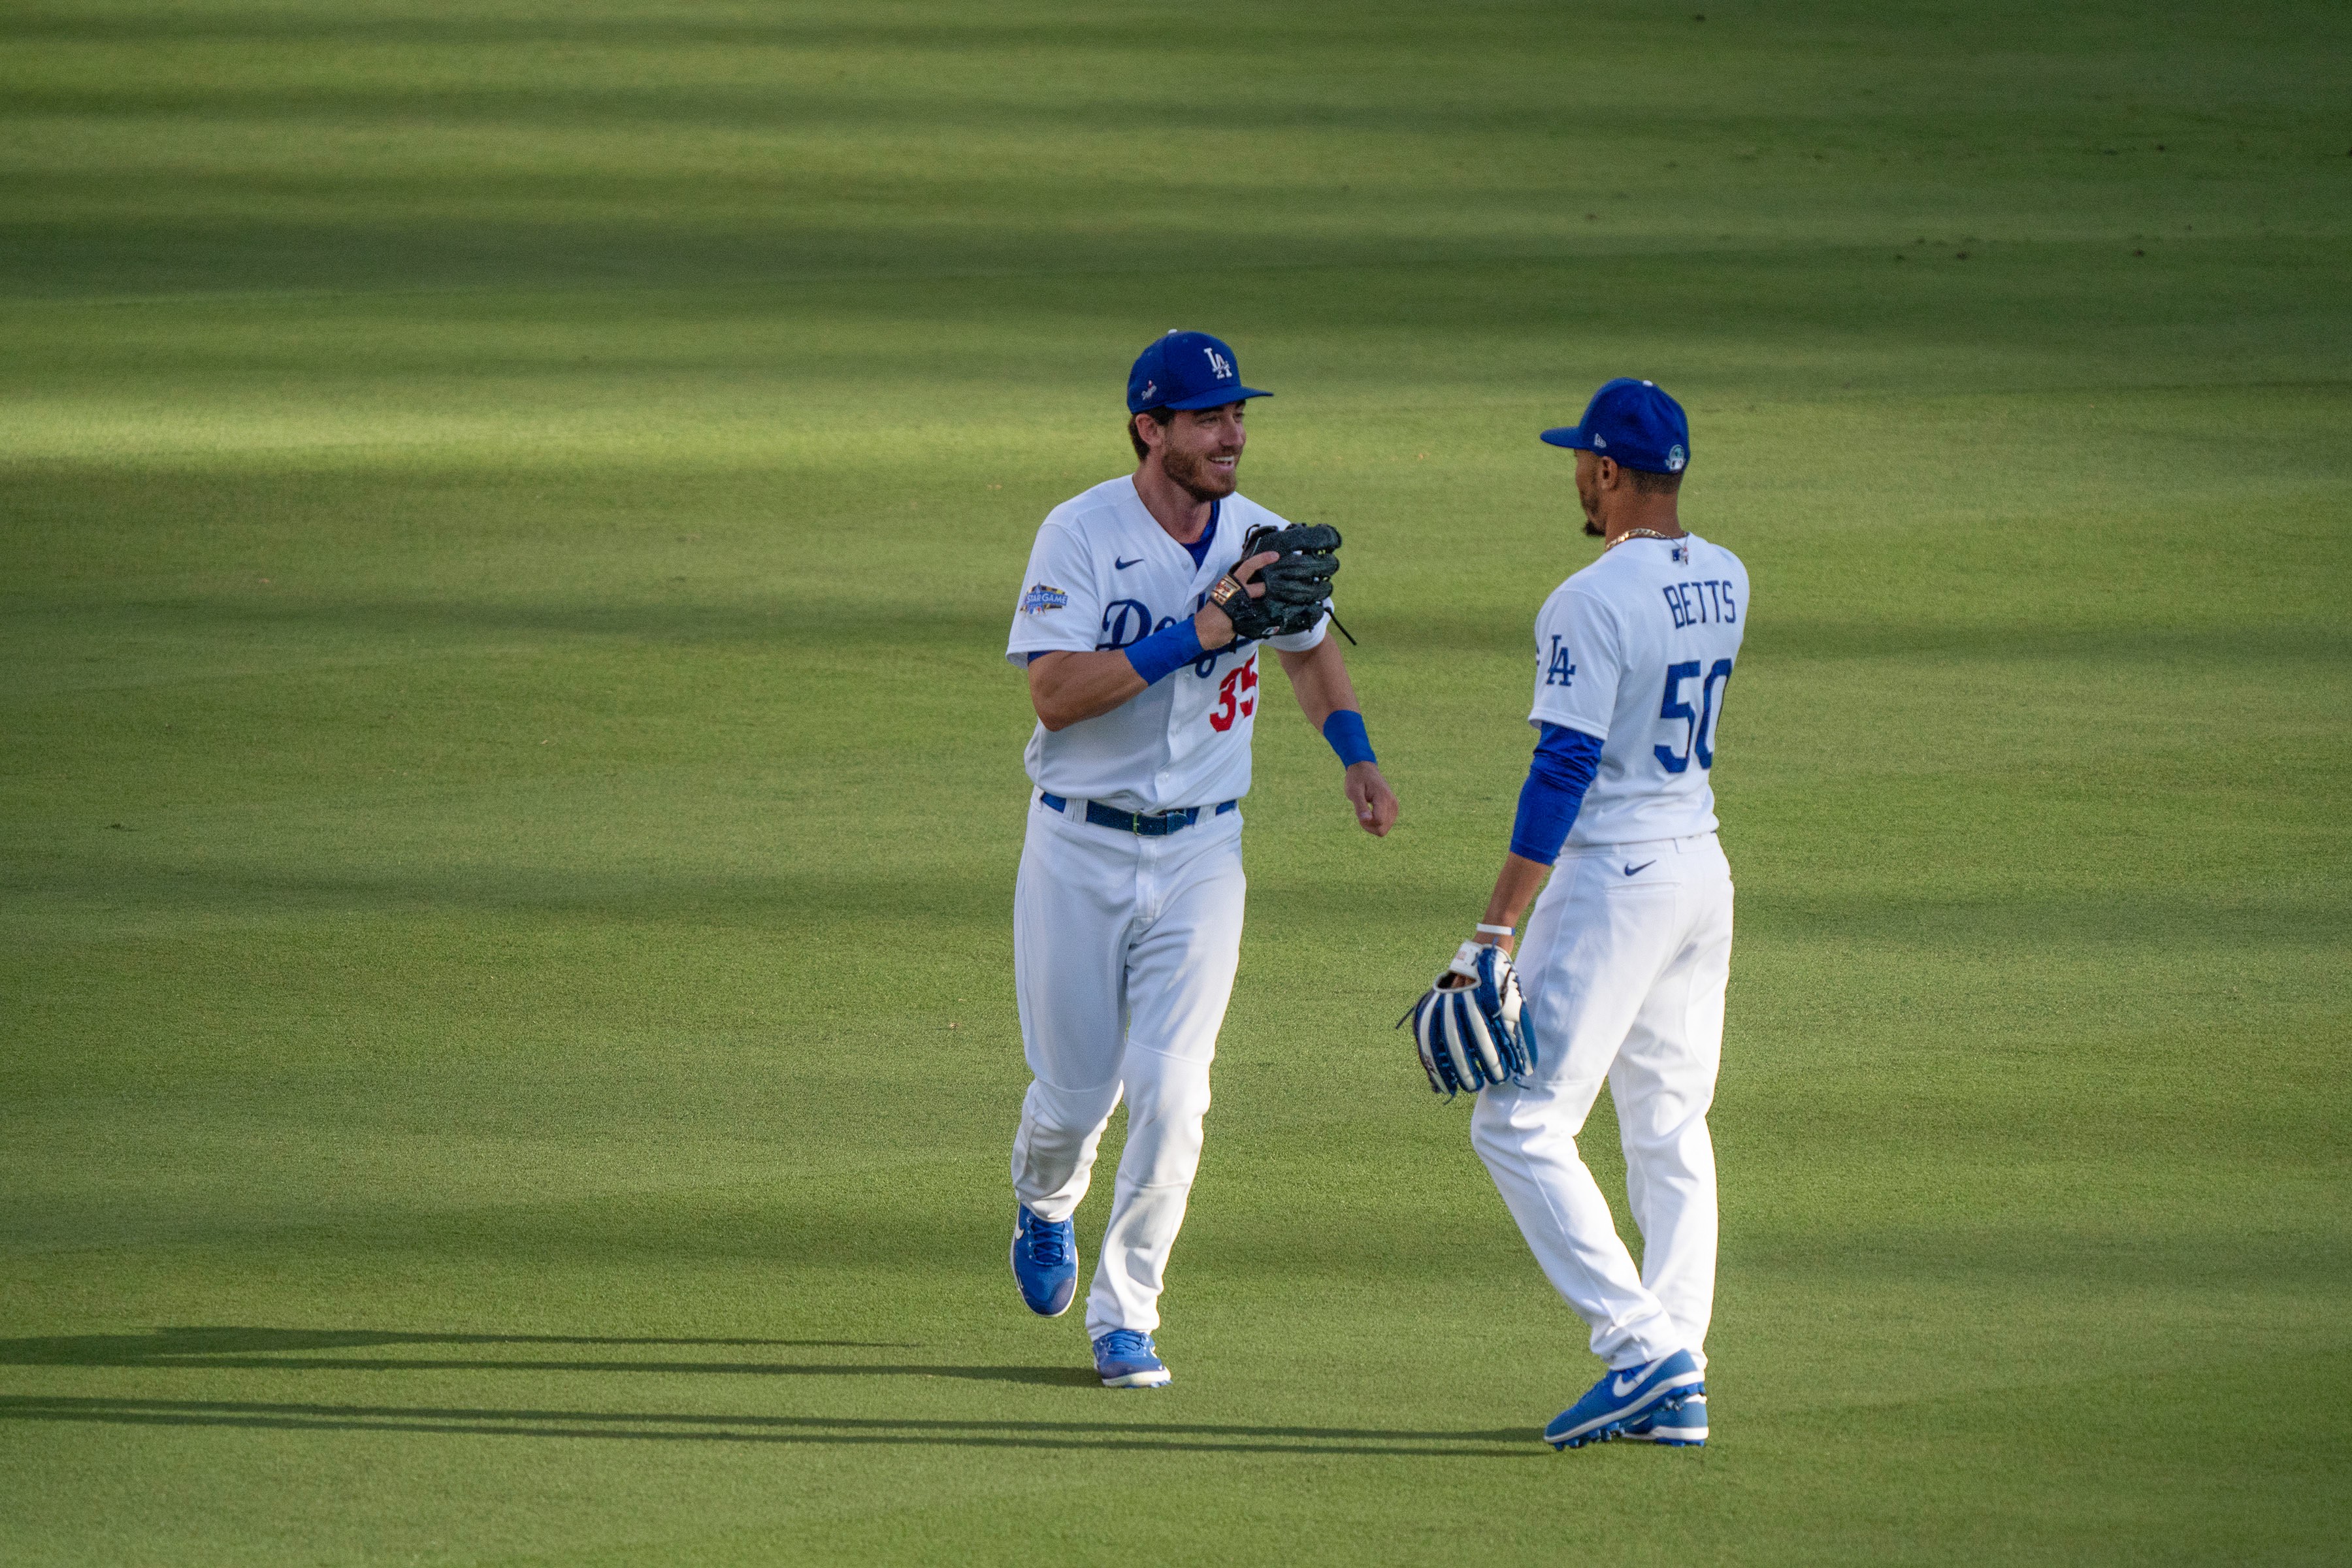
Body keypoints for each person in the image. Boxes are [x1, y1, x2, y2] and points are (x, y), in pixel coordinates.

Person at [1002, 330, 1399, 1388]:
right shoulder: (1079, 533)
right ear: (1150, 429)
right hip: (1077, 843)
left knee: (1176, 1094)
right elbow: (1053, 692)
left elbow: (1309, 651)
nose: (1231, 436)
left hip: (1203, 854)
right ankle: (1045, 1202)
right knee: (1074, 1100)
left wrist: (1354, 758)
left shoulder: (1264, 533)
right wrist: (1198, 629)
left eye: (1237, 417)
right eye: (1208, 419)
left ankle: (1126, 1315)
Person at [1456, 378, 1746, 1449]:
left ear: (1612, 472)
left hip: (1615, 878)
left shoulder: (1586, 598)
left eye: (1582, 459)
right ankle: (1682, 1371)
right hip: (1701, 872)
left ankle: (1643, 1353)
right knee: (1670, 1126)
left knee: (1519, 1121)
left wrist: (1493, 927)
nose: (1574, 473)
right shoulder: (1728, 576)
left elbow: (1566, 763)